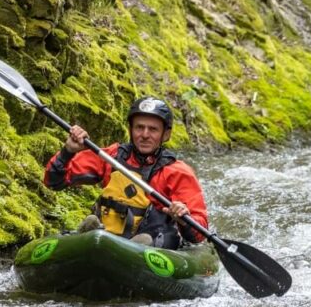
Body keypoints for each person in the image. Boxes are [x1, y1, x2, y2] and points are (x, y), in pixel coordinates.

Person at [44, 97, 209, 249]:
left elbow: (199, 233)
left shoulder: (177, 172)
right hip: (106, 237)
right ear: (130, 129)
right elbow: (53, 181)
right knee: (92, 222)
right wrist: (68, 152)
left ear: (165, 134)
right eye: (139, 127)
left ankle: (133, 250)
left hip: (152, 245)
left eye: (153, 129)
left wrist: (183, 217)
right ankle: (90, 240)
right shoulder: (112, 156)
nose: (145, 135)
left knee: (145, 240)